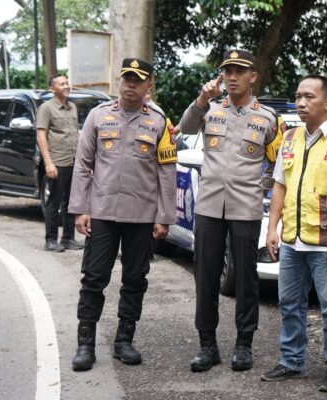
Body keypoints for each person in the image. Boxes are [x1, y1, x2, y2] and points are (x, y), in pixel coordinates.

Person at [177, 49, 284, 373]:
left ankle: (243, 344)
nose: (232, 77)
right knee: (206, 277)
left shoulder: (267, 118)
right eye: (228, 71)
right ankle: (207, 345)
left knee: (246, 280)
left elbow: (278, 163)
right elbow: (185, 127)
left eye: (239, 71)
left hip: (245, 208)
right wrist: (201, 97)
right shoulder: (209, 110)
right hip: (210, 206)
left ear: (253, 76)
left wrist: (259, 187)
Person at [68, 57, 177, 371]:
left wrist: (163, 216)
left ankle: (124, 340)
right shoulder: (98, 117)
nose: (131, 84)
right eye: (126, 78)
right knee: (94, 278)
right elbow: (83, 164)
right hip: (102, 213)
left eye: (137, 79)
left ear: (148, 86)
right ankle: (85, 344)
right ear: (120, 82)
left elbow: (167, 172)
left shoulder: (159, 122)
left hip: (141, 217)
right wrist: (81, 210)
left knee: (134, 279)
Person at [259, 75, 327, 392]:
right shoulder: (289, 138)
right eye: (298, 96)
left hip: (324, 241)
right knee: (289, 303)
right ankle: (291, 361)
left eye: (309, 97)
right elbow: (279, 185)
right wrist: (272, 228)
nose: (301, 102)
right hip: (292, 239)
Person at [36, 74, 83, 252]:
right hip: (57, 162)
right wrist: (48, 163)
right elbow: (41, 136)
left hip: (73, 162)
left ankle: (68, 238)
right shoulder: (46, 108)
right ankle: (51, 240)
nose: (66, 86)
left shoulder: (73, 108)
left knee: (71, 202)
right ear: (52, 89)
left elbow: (75, 134)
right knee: (53, 203)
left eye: (67, 83)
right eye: (62, 84)